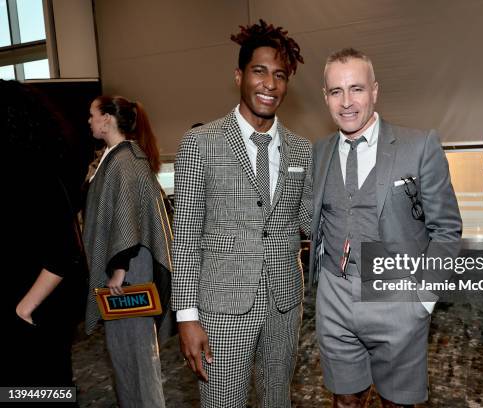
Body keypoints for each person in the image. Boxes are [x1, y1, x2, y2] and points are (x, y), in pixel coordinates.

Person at [310, 48, 462, 407]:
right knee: (345, 400)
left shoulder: (419, 145)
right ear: (326, 97)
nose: (347, 102)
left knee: (397, 403)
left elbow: (447, 230)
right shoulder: (318, 151)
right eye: (336, 91)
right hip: (334, 294)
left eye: (357, 89)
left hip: (396, 294)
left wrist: (422, 301)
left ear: (375, 91)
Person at [171, 19, 312, 407]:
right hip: (221, 307)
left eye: (280, 75)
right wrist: (186, 316)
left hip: (284, 304)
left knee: (277, 400)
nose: (270, 84)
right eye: (260, 71)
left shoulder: (302, 150)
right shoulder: (201, 143)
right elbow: (184, 236)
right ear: (239, 76)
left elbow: (311, 220)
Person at [83, 95, 173, 407]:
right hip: (123, 269)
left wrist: (118, 269)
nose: (89, 120)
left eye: (93, 115)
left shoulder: (126, 160)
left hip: (128, 271)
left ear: (107, 118)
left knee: (138, 355)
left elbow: (128, 215)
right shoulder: (113, 157)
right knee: (122, 352)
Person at [1, 79, 87, 391]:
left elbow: (63, 253)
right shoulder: (23, 171)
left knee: (41, 391)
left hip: (35, 315)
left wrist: (22, 310)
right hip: (32, 314)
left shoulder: (35, 176)